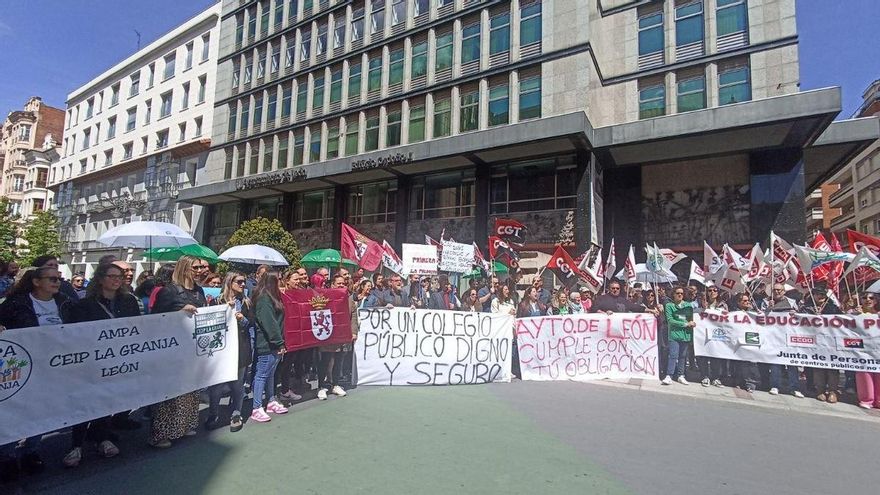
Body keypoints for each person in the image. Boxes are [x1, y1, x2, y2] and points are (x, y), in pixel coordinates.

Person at [64, 263, 142, 467]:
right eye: (112, 276)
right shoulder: (85, 305)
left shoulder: (129, 302)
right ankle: (76, 445)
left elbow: (138, 327)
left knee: (108, 399)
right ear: (100, 279)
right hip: (92, 361)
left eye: (120, 276)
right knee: (86, 401)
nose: (117, 279)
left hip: (118, 359)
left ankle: (103, 438)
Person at [0, 266, 73, 481]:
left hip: (55, 365)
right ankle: (8, 453)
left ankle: (31, 450)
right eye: (51, 278)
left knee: (43, 408)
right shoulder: (17, 304)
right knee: (18, 408)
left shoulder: (65, 302)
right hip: (25, 364)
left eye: (58, 279)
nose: (57, 282)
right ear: (36, 281)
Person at [148, 256, 206, 448]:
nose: (200, 270)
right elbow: (155, 320)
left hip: (193, 348)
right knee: (170, 393)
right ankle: (161, 433)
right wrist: (179, 312)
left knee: (191, 389)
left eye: (202, 267)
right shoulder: (169, 291)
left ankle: (184, 426)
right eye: (195, 267)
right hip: (172, 349)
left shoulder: (199, 291)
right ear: (184, 268)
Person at [206, 272, 254, 431]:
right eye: (239, 281)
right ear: (229, 282)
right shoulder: (217, 301)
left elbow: (251, 324)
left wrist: (242, 319)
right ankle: (213, 414)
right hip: (221, 348)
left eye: (244, 282)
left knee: (238, 384)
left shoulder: (246, 302)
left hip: (241, 347)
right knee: (217, 386)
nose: (242, 285)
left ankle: (236, 413)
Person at [250, 271, 289, 422]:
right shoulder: (264, 299)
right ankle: (256, 407)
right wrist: (279, 342)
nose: (281, 282)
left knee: (270, 373)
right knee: (262, 375)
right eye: (279, 280)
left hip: (273, 343)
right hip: (267, 344)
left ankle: (271, 400)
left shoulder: (272, 297)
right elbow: (269, 323)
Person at [762, 283, 804, 398]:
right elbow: (760, 317)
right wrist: (768, 309)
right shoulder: (766, 301)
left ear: (784, 291)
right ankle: (775, 386)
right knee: (775, 363)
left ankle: (794, 388)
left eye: (780, 290)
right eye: (775, 290)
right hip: (774, 338)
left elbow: (800, 317)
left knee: (792, 363)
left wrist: (796, 314)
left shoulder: (792, 302)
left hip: (789, 337)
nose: (777, 292)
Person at [317, 274, 355, 400]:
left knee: (339, 361)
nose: (341, 285)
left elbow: (353, 316)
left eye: (343, 283)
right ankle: (321, 386)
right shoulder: (325, 297)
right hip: (328, 336)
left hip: (343, 337)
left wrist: (353, 331)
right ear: (332, 284)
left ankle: (335, 384)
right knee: (325, 361)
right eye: (339, 283)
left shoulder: (349, 298)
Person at [804, 288, 842, 403]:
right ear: (813, 295)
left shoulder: (833, 307)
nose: (821, 296)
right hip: (814, 342)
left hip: (831, 342)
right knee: (818, 366)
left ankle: (832, 391)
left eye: (823, 294)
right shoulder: (806, 308)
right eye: (818, 294)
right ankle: (819, 390)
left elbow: (843, 320)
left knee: (832, 368)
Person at [661, 286, 695, 386]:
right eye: (678, 293)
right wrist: (685, 324)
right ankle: (669, 375)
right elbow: (670, 320)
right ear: (674, 294)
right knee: (673, 355)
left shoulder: (688, 306)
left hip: (685, 335)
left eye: (682, 293)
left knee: (683, 356)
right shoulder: (669, 306)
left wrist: (692, 323)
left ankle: (681, 375)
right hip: (674, 334)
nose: (680, 295)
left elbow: (691, 319)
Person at [698, 286, 728, 387]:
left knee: (716, 356)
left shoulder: (723, 305)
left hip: (717, 334)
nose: (712, 292)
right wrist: (703, 308)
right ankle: (705, 377)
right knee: (703, 356)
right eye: (710, 290)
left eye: (714, 290)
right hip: (703, 334)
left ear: (718, 293)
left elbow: (727, 318)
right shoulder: (701, 303)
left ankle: (716, 378)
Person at [730, 293, 761, 393]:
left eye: (748, 300)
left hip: (751, 338)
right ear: (738, 302)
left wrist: (761, 314)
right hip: (739, 339)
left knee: (751, 362)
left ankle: (750, 384)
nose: (747, 302)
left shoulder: (753, 312)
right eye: (744, 301)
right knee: (738, 362)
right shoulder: (733, 312)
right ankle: (738, 382)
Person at [856, 293, 880, 408]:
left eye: (871, 298)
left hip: (878, 350)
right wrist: (856, 315)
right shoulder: (853, 314)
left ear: (876, 301)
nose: (868, 300)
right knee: (864, 373)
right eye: (864, 297)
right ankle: (866, 400)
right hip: (863, 351)